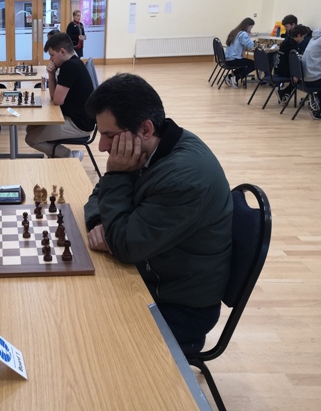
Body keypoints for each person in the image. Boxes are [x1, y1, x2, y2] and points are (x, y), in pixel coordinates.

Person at [83, 73, 233, 354]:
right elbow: (98, 194)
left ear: (145, 129)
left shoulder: (183, 178)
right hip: (154, 272)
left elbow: (125, 245)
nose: (101, 146)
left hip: (179, 305)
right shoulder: (151, 148)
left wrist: (116, 176)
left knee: (86, 334)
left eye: (109, 135)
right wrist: (99, 221)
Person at [25, 32, 95, 160]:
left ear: (62, 51)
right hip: (75, 118)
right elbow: (54, 97)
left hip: (78, 125)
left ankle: (70, 156)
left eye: (52, 55)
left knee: (31, 139)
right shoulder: (74, 62)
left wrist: (52, 74)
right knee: (31, 128)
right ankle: (56, 157)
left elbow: (57, 100)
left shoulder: (69, 67)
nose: (51, 60)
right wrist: (51, 74)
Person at [274, 24, 309, 103]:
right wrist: (294, 75)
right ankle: (284, 92)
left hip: (277, 69)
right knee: (303, 76)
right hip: (284, 71)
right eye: (303, 37)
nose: (303, 39)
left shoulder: (286, 40)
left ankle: (285, 93)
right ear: (299, 35)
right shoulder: (293, 46)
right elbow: (293, 61)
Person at [224, 17, 255, 88]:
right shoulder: (243, 34)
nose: (251, 30)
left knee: (247, 63)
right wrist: (249, 36)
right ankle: (236, 77)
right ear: (247, 26)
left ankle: (230, 76)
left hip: (227, 59)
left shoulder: (234, 32)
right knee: (254, 64)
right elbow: (251, 45)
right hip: (234, 59)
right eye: (251, 27)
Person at [302, 27, 321, 120]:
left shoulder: (313, 38)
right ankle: (318, 109)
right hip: (313, 79)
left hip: (304, 78)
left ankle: (316, 100)